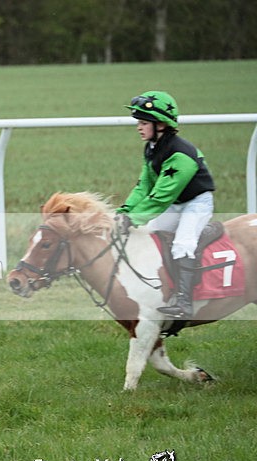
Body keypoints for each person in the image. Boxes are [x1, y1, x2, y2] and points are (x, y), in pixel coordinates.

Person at [116, 90, 216, 319]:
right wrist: (124, 211)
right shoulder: (152, 148)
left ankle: (184, 302)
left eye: (143, 122)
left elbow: (161, 196)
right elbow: (144, 187)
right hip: (176, 203)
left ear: (161, 124)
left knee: (182, 244)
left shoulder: (181, 155)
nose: (138, 127)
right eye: (138, 122)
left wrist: (134, 218)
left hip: (196, 203)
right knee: (150, 237)